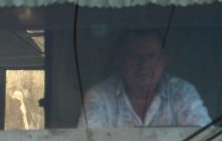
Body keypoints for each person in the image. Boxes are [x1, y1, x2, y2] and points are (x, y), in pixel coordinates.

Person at [78, 30, 211, 128]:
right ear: (119, 61)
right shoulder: (100, 96)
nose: (144, 65)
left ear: (164, 62)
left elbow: (204, 139)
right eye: (134, 56)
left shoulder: (181, 92)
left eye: (151, 56)